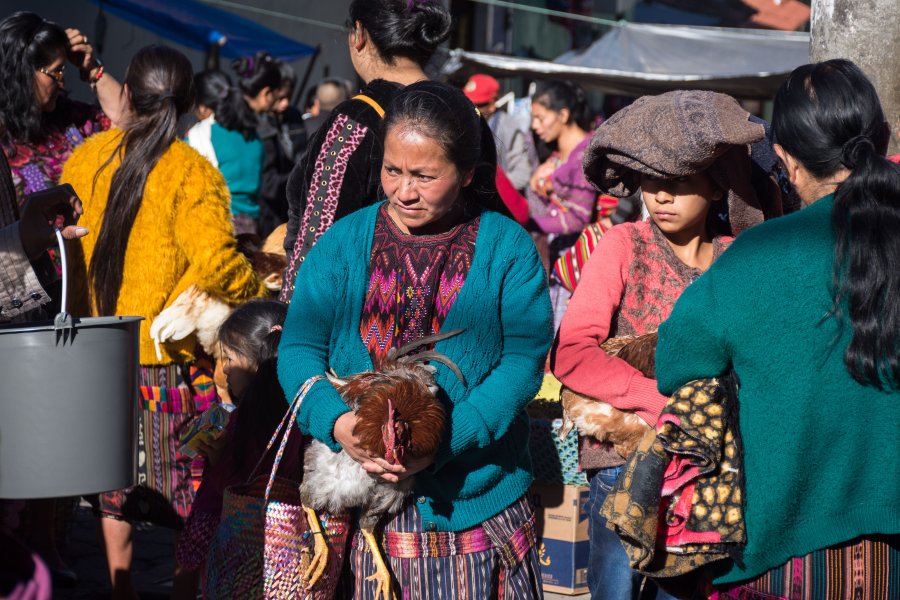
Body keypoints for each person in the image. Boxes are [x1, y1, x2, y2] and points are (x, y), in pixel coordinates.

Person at [277, 80, 552, 598]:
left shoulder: (507, 248)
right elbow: (297, 351)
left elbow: (522, 360)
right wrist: (338, 424)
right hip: (363, 510)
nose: (404, 191)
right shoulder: (342, 244)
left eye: (425, 176)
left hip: (475, 505)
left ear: (468, 174)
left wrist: (444, 441)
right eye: (393, 171)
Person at [656, 60, 900, 599]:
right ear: (880, 140)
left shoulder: (759, 254)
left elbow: (676, 361)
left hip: (790, 552)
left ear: (786, 160)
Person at [60, 44, 265, 599]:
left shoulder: (85, 159)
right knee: (193, 496)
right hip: (166, 368)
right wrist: (257, 292)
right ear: (191, 103)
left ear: (126, 95)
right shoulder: (192, 174)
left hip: (93, 356)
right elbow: (219, 263)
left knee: (113, 492)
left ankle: (121, 592)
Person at [552, 89, 769, 600]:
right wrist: (655, 401)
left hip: (707, 471)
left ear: (718, 190)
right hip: (623, 462)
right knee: (616, 592)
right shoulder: (623, 244)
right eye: (652, 182)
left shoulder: (737, 259)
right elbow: (572, 352)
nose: (661, 196)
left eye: (679, 183)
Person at [280, 0, 451, 302]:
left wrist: (290, 327)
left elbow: (317, 243)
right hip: (452, 312)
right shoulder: (464, 115)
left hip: (367, 323)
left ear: (358, 34)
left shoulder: (357, 120)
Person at [172, 299, 305, 598]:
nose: (224, 371)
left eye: (229, 359)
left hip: (247, 558)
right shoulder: (302, 414)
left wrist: (218, 458)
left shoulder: (244, 423)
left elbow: (235, 489)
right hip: (295, 558)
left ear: (258, 361)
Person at [0, 12, 123, 204]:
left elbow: (128, 121)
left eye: (63, 70)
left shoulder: (67, 119)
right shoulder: (3, 138)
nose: (62, 83)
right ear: (23, 73)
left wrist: (91, 69)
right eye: (56, 72)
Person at [526, 79, 598, 327]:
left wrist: (528, 222)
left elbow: (578, 217)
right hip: (559, 255)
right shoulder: (559, 154)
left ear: (563, 115)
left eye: (541, 118)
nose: (535, 126)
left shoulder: (584, 156)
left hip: (577, 261)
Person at [186, 53, 283, 236]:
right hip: (251, 232)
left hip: (216, 229)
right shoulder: (255, 136)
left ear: (203, 107)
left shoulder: (200, 135)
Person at [463, 73, 538, 193]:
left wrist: (488, 186)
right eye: (467, 104)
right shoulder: (462, 123)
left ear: (492, 104)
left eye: (477, 105)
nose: (471, 109)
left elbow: (522, 174)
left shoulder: (509, 128)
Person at [256, 60, 307, 238]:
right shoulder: (257, 121)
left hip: (288, 203)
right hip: (265, 206)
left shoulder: (293, 116)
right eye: (280, 98)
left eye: (289, 98)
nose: (285, 103)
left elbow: (301, 151)